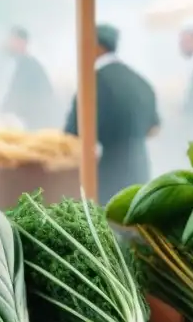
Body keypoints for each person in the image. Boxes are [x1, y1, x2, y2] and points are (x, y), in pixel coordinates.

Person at [65, 24, 160, 204]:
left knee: (107, 229)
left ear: (96, 46)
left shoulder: (93, 82)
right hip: (140, 173)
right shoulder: (140, 81)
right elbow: (154, 128)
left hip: (106, 177)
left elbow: (73, 133)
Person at [1, 26, 58, 130]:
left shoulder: (29, 66)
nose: (9, 44)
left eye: (12, 40)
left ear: (22, 42)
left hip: (34, 123)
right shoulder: (18, 65)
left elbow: (20, 97)